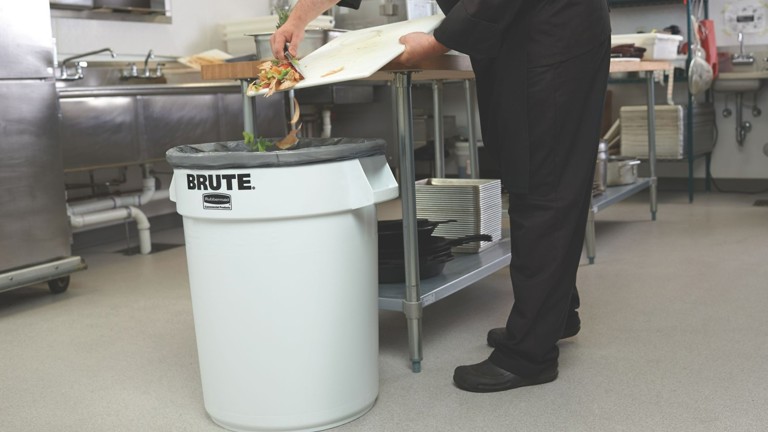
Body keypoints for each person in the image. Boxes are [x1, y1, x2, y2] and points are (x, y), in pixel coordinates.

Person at [272, 0, 611, 393]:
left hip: (553, 37)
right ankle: (553, 316)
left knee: (543, 179)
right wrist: (297, 19)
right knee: (525, 168)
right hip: (518, 38)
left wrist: (437, 42)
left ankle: (530, 355)